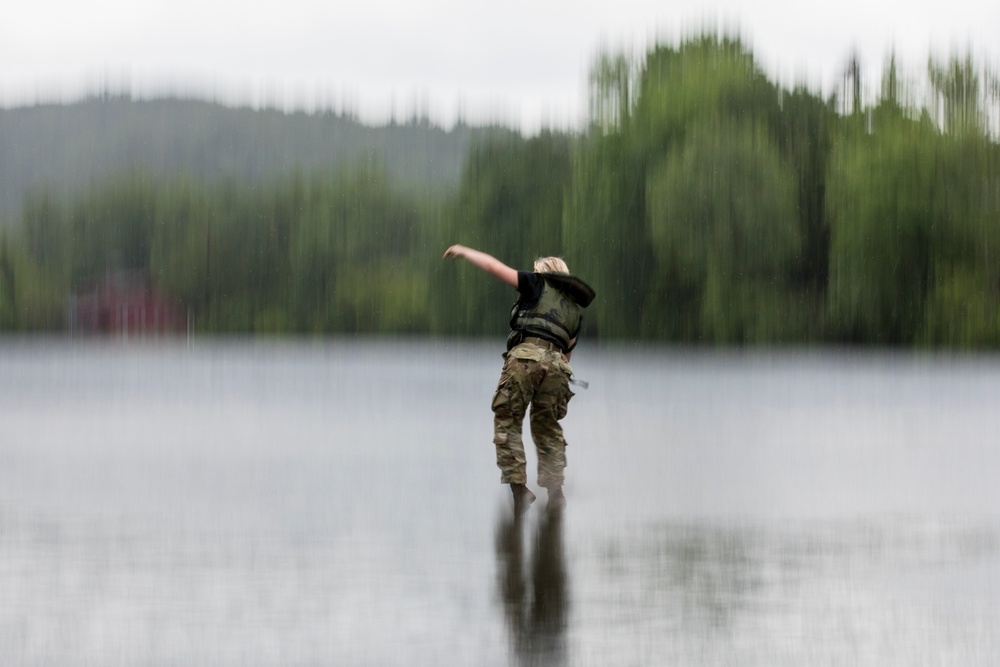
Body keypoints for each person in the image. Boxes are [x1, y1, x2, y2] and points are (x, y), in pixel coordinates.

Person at [443, 244, 595, 516]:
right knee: (547, 428)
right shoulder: (573, 310)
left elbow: (494, 267)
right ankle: (556, 493)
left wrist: (465, 252)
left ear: (543, 273)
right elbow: (567, 353)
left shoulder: (535, 283)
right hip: (559, 368)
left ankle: (519, 491)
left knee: (508, 419)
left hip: (525, 359)